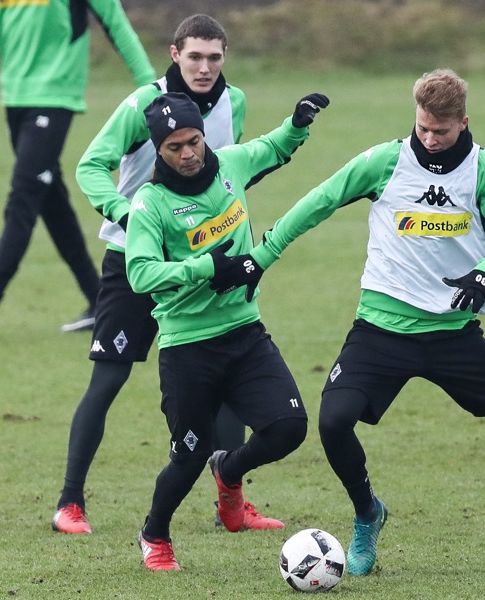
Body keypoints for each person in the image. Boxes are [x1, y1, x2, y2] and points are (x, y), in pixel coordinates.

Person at [213, 69, 485, 575]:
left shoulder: (483, 171)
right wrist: (263, 255)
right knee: (333, 421)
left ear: (464, 123)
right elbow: (319, 202)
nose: (430, 140)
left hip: (453, 332)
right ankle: (368, 513)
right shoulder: (387, 160)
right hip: (381, 329)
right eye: (423, 128)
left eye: (442, 131)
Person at [51, 15, 287, 535]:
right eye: (194, 56)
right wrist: (129, 215)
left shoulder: (236, 103)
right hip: (137, 266)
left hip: (206, 267)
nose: (204, 67)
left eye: (214, 57)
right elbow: (91, 165)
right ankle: (70, 502)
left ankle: (232, 504)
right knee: (109, 377)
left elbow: (224, 175)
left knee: (227, 380)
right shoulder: (142, 103)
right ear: (175, 53)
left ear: (225, 56)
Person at [125, 91, 329, 570]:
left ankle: (230, 471)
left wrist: (297, 122)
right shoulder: (151, 202)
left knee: (288, 428)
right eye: (174, 147)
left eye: (193, 141)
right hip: (187, 347)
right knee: (187, 455)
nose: (188, 153)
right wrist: (204, 268)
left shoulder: (232, 165)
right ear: (159, 151)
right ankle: (154, 534)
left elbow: (275, 148)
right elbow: (140, 273)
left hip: (244, 334)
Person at [0, 0, 155, 338]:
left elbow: (115, 23)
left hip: (56, 95)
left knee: (23, 197)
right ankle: (98, 299)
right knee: (51, 201)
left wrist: (150, 85)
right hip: (15, 99)